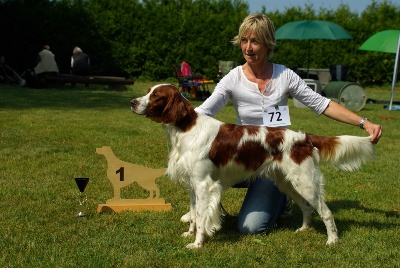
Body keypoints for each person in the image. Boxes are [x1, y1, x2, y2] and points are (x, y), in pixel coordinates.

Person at [182, 14, 382, 235]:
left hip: (276, 156)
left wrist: (364, 122)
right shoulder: (233, 78)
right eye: (244, 40)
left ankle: (282, 197)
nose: (248, 48)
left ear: (268, 44)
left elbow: (322, 104)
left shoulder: (285, 75)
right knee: (204, 168)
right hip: (243, 156)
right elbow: (204, 111)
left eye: (255, 41)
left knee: (251, 227)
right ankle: (203, 209)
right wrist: (174, 115)